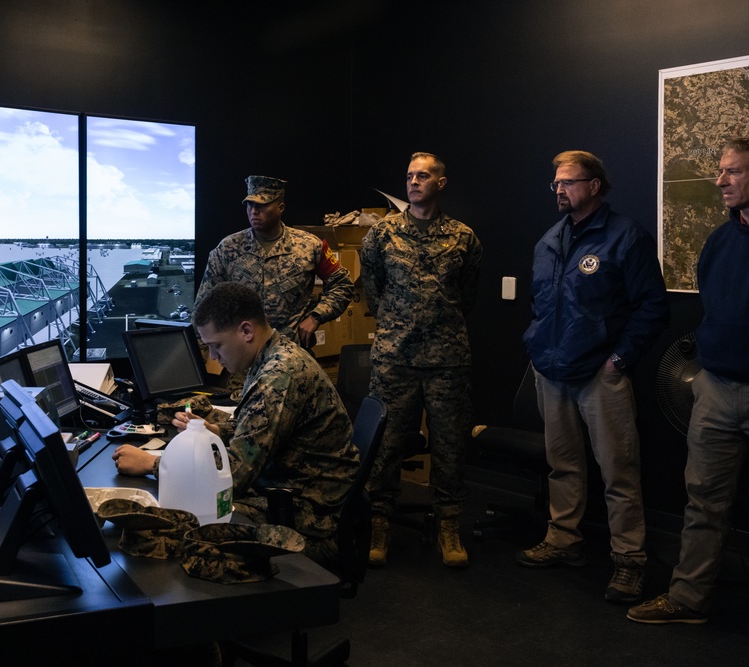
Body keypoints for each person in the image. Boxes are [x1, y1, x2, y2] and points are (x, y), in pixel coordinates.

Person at [628, 136, 749, 656]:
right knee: (703, 502)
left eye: (731, 171)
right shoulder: (720, 240)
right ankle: (688, 599)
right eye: (719, 171)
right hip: (716, 389)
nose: (719, 180)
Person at [112, 281, 360, 562]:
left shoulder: (278, 376)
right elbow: (261, 429)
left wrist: (153, 464)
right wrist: (216, 429)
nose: (214, 357)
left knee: (181, 520)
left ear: (246, 331)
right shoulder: (274, 355)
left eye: (216, 346)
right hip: (293, 490)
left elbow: (233, 478)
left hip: (309, 515)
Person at [519, 150, 669, 603]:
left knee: (618, 473)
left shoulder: (626, 237)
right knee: (562, 465)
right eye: (556, 183)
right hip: (552, 370)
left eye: (569, 182)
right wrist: (538, 346)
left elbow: (653, 306)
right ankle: (564, 541)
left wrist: (619, 360)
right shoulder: (548, 241)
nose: (560, 190)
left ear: (595, 186)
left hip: (599, 374)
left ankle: (629, 561)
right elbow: (543, 305)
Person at [361, 152, 482, 568]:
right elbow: (372, 291)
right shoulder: (382, 234)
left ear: (440, 183)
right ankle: (379, 522)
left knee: (450, 445)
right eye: (410, 175)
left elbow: (467, 295)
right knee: (387, 444)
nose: (414, 182)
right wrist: (398, 324)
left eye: (423, 176)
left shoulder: (463, 237)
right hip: (395, 357)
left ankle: (449, 525)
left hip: (447, 358)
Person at [194, 175, 355, 399]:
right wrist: (205, 358)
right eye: (250, 204)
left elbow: (343, 285)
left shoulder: (309, 246)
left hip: (291, 363)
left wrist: (317, 316)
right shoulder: (228, 249)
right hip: (241, 367)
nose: (254, 211)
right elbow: (204, 306)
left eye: (262, 205)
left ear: (280, 207)